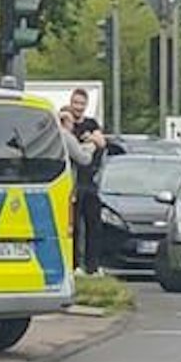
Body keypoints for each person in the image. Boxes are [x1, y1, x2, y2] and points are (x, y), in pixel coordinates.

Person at [64, 87, 108, 275]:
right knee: (73, 227)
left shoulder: (91, 123)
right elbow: (73, 150)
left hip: (90, 183)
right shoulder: (66, 124)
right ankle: (74, 265)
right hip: (72, 183)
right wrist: (89, 142)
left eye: (82, 103)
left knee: (93, 226)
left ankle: (93, 266)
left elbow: (102, 141)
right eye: (75, 103)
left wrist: (92, 139)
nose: (78, 107)